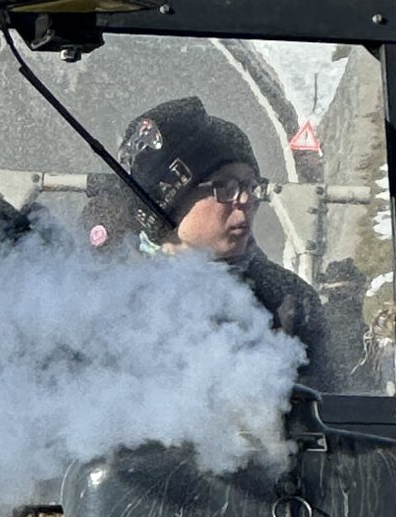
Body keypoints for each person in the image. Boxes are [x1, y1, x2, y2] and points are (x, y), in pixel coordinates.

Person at [114, 95, 329, 362]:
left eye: (251, 186)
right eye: (225, 187)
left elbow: (325, 393)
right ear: (167, 202)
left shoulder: (287, 299)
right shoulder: (117, 297)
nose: (246, 200)